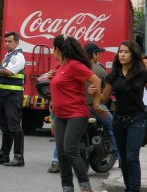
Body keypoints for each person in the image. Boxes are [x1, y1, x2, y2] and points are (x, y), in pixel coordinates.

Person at [47, 34, 106, 192]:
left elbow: (96, 81)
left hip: (76, 113)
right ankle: (67, 188)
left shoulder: (74, 65)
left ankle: (85, 187)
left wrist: (96, 103)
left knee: (70, 149)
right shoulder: (60, 67)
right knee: (61, 153)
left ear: (58, 50)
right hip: (60, 116)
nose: (53, 52)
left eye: (53, 48)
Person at [89, 40, 147, 192]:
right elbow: (105, 98)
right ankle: (129, 188)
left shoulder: (142, 73)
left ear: (133, 54)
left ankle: (133, 189)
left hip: (137, 119)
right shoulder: (114, 74)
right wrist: (94, 92)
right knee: (124, 159)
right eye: (120, 51)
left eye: (126, 52)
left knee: (132, 157)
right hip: (118, 120)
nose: (122, 54)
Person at [0, 31, 26, 167]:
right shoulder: (7, 56)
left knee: (14, 126)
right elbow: (1, 72)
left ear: (17, 42)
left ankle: (18, 157)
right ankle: (4, 156)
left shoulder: (18, 56)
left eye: (10, 41)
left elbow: (10, 71)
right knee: (5, 127)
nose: (7, 44)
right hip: (4, 96)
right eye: (6, 41)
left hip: (13, 96)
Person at [83, 43, 120, 162]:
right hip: (94, 106)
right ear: (94, 54)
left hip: (77, 106)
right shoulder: (99, 70)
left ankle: (56, 160)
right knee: (112, 128)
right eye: (98, 53)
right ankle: (120, 158)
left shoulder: (76, 67)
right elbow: (105, 96)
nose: (99, 56)